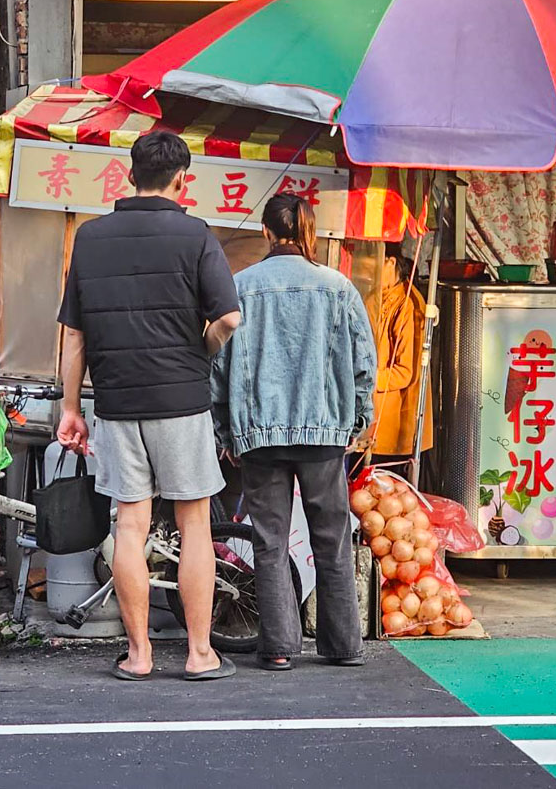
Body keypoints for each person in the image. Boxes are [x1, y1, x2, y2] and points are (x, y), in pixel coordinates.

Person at [56, 131, 242, 682]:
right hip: (181, 401)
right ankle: (199, 653)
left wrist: (72, 409)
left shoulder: (91, 239)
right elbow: (229, 318)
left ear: (128, 175)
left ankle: (138, 656)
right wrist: (199, 352)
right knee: (195, 526)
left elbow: (73, 336)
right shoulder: (196, 235)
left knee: (130, 526)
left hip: (116, 403)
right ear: (182, 179)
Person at [212, 194, 376, 670]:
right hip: (324, 432)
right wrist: (358, 420)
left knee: (269, 540)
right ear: (310, 232)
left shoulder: (238, 288)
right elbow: (364, 363)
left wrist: (228, 432)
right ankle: (343, 646)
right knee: (331, 536)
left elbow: (218, 370)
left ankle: (279, 647)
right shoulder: (338, 287)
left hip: (259, 434)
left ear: (265, 232)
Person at [367, 243, 433, 466]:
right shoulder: (377, 296)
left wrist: (364, 379)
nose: (369, 270)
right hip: (370, 423)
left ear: (391, 261)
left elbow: (404, 372)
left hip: (395, 431)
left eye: (373, 262)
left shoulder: (408, 305)